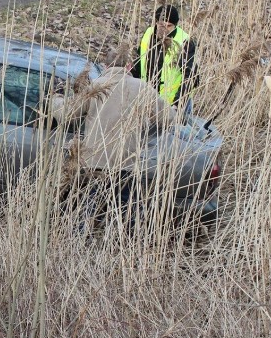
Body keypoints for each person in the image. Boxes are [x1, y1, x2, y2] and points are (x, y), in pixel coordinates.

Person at [53, 66, 182, 230]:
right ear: (128, 67)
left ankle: (78, 244)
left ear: (106, 67)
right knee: (127, 216)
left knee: (86, 210)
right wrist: (175, 110)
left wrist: (55, 99)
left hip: (95, 162)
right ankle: (121, 247)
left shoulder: (97, 85)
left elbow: (68, 113)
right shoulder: (141, 87)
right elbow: (167, 118)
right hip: (125, 163)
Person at [130, 5, 198, 117]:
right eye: (162, 25)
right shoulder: (149, 33)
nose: (165, 29)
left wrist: (178, 104)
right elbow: (138, 61)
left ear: (175, 25)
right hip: (147, 97)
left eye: (169, 26)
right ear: (156, 22)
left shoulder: (185, 41)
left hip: (172, 103)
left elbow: (189, 76)